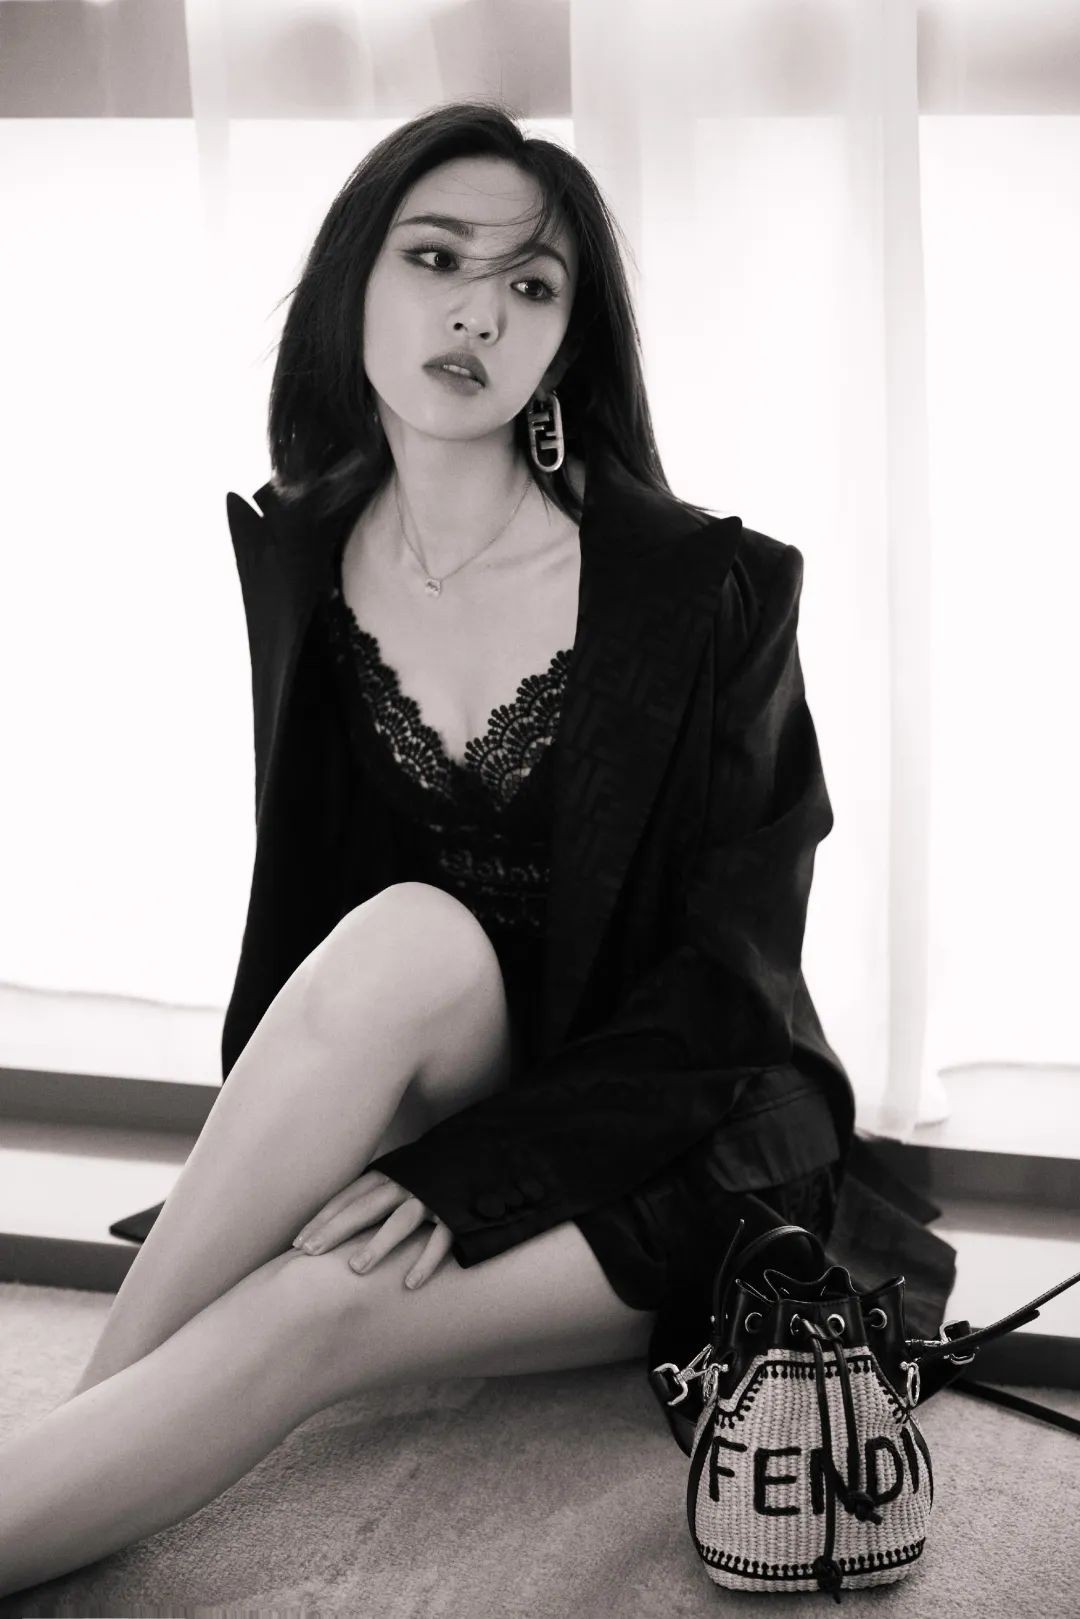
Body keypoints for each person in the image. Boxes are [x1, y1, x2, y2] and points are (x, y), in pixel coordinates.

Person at [0, 101, 956, 1598]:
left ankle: (60, 1469)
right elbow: (322, 936)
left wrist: (468, 1178)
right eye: (437, 258)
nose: (478, 312)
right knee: (409, 934)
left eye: (531, 285)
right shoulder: (306, 551)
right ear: (353, 285)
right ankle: (81, 1444)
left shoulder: (705, 592)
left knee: (313, 1311)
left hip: (675, 1130)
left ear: (567, 345)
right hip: (464, 1064)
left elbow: (729, 994)